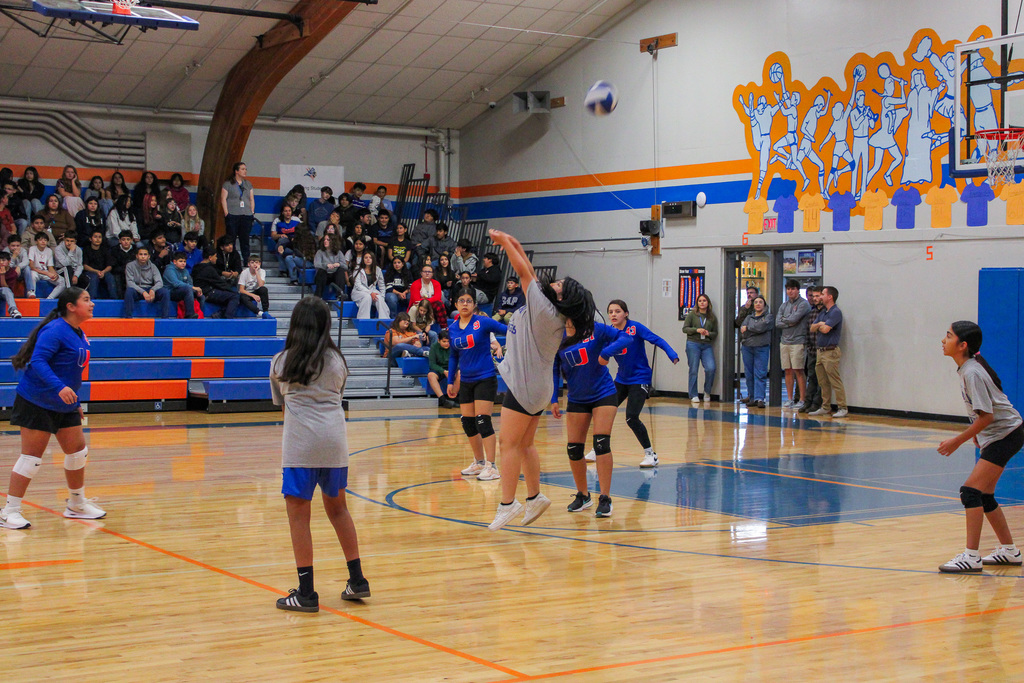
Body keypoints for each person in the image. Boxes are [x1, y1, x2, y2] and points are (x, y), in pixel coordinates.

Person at [488, 228, 597, 531]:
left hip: (526, 385)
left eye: (561, 284)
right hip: (537, 386)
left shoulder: (545, 309)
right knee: (525, 444)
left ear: (563, 297)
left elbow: (523, 271)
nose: (556, 282)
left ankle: (508, 504)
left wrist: (504, 244)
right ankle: (534, 497)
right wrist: (513, 240)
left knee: (507, 444)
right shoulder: (550, 309)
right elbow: (530, 271)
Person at [270, 296, 370, 611]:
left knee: (299, 516)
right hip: (335, 444)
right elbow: (336, 396)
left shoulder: (281, 361)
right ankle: (357, 580)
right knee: (339, 510)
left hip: (301, 446)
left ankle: (306, 593)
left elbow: (282, 406)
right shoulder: (338, 361)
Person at [0, 288, 106, 530]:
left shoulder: (78, 332)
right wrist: (59, 388)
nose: (92, 304)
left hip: (64, 404)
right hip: (37, 400)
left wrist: (74, 402)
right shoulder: (56, 330)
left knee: (77, 452)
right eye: (86, 300)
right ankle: (9, 511)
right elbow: (37, 361)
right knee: (31, 459)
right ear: (71, 306)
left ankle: (76, 504)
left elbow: (70, 371)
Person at [937, 321, 1024, 573]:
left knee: (970, 492)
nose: (943, 340)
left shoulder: (972, 372)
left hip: (1005, 435)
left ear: (962, 345)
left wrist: (957, 440)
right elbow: (985, 410)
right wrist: (978, 434)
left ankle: (971, 556)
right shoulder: (968, 368)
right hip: (1003, 434)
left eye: (948, 336)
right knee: (984, 496)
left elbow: (987, 417)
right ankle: (1010, 551)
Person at [553, 310, 631, 517]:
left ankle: (605, 497)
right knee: (573, 448)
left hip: (603, 393)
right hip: (577, 397)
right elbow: (554, 366)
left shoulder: (595, 329)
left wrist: (606, 353)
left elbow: (626, 337)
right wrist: (554, 398)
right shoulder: (558, 335)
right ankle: (583, 495)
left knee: (601, 443)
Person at [595, 299, 680, 468]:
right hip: (621, 379)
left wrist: (672, 354)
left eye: (617, 311)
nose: (613, 314)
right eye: (610, 312)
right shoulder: (610, 333)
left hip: (640, 378)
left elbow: (657, 340)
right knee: (603, 411)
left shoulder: (635, 328)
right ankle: (596, 448)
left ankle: (650, 454)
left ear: (626, 313)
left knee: (631, 417)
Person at [447, 287, 507, 482]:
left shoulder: (482, 322)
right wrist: (450, 381)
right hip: (466, 380)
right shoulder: (452, 328)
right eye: (461, 300)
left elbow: (508, 330)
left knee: (483, 420)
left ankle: (492, 466)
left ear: (474, 304)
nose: (465, 304)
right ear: (456, 304)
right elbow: (453, 356)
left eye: (469, 301)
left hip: (485, 378)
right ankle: (479, 462)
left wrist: (505, 345)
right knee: (468, 423)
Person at [808, 286, 847, 417]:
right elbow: (812, 328)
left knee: (835, 380)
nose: (820, 297)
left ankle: (842, 407)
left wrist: (821, 325)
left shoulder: (835, 312)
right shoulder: (823, 312)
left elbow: (826, 330)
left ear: (830, 297)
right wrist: (821, 324)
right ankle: (825, 406)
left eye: (823, 294)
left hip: (830, 351)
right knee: (822, 381)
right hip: (820, 351)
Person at [776, 280, 812, 409]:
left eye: (792, 289)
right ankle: (790, 399)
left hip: (798, 341)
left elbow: (795, 318)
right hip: (784, 342)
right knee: (788, 370)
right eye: (788, 289)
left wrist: (787, 320)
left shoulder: (804, 304)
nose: (790, 291)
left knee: (799, 370)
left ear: (797, 290)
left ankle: (802, 399)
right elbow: (777, 323)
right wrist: (790, 322)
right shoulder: (784, 305)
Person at [682, 293, 718, 405]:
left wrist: (708, 333)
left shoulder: (712, 317)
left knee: (711, 368)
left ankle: (707, 391)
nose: (702, 303)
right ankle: (693, 394)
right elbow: (685, 329)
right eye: (700, 301)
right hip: (693, 343)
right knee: (693, 369)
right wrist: (696, 330)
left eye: (704, 301)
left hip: (706, 345)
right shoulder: (692, 315)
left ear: (708, 303)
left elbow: (715, 333)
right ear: (697, 303)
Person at [739, 295, 773, 408]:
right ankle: (752, 397)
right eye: (756, 302)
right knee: (749, 373)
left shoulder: (768, 317)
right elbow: (743, 330)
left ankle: (760, 398)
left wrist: (749, 328)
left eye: (760, 302)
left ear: (764, 305)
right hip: (747, 347)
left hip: (762, 347)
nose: (758, 304)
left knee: (760, 373)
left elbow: (762, 327)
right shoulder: (749, 317)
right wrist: (754, 330)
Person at [193, 246, 241, 318]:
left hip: (200, 292)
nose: (216, 258)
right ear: (210, 257)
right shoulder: (209, 269)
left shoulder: (196, 267)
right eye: (215, 256)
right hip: (208, 293)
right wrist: (235, 292)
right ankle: (227, 318)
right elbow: (220, 283)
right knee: (235, 296)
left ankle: (220, 314)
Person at [220, 162, 256, 260]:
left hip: (246, 214)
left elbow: (251, 198)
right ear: (236, 171)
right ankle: (233, 260)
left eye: (246, 169)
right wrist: (226, 213)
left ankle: (246, 261)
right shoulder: (228, 184)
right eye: (242, 169)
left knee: (245, 240)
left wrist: (252, 211)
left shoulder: (248, 184)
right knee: (231, 239)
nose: (245, 171)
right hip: (233, 214)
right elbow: (223, 198)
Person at [123, 245, 170, 318]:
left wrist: (153, 290)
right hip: (137, 290)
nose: (143, 256)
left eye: (145, 254)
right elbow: (130, 283)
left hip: (149, 289)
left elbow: (159, 282)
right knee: (129, 291)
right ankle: (128, 317)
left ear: (149, 256)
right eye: (140, 254)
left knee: (165, 292)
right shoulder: (130, 266)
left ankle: (165, 318)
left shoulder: (153, 266)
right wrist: (143, 292)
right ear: (137, 256)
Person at [798, 286, 824, 413]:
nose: (814, 298)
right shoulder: (812, 312)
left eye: (817, 296)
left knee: (821, 379)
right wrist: (809, 346)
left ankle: (816, 403)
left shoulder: (826, 312)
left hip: (822, 350)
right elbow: (809, 331)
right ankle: (807, 402)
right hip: (812, 350)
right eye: (813, 296)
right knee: (811, 377)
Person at [163, 252, 202, 319]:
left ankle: (200, 316)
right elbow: (176, 284)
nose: (183, 263)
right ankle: (190, 314)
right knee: (188, 290)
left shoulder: (185, 271)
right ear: (174, 262)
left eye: (184, 261)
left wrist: (195, 290)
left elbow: (190, 283)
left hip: (182, 291)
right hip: (170, 291)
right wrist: (193, 287)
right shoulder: (169, 270)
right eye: (180, 261)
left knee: (201, 296)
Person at [352, 251, 389, 319]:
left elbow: (381, 285)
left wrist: (382, 296)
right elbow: (358, 285)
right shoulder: (357, 269)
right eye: (366, 258)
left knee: (379, 298)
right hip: (359, 292)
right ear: (363, 259)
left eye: (370, 258)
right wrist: (370, 293)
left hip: (372, 291)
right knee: (367, 297)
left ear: (373, 259)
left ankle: (384, 320)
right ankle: (363, 320)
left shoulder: (378, 270)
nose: (368, 259)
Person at [51, 231, 88, 299]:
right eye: (67, 240)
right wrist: (71, 251)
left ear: (75, 241)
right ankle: (69, 295)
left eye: (72, 241)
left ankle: (78, 297)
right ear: (64, 239)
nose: (69, 243)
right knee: (68, 268)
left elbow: (80, 265)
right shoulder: (58, 249)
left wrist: (76, 275)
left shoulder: (79, 250)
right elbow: (65, 263)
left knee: (85, 279)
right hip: (61, 270)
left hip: (73, 271)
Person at [313, 233, 349, 300]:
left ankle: (340, 295)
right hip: (324, 275)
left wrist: (339, 264)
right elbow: (316, 264)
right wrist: (326, 265)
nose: (325, 241)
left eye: (328, 240)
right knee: (321, 271)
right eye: (324, 239)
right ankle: (318, 296)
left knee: (341, 271)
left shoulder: (339, 252)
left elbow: (345, 266)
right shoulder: (320, 252)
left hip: (335, 276)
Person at [427, 330, 455, 408]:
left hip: (452, 368)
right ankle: (443, 399)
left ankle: (454, 397)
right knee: (431, 375)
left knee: (460, 373)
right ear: (439, 340)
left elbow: (458, 362)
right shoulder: (434, 347)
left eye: (448, 341)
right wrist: (443, 371)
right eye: (444, 341)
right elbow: (432, 364)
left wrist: (451, 371)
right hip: (439, 369)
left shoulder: (454, 346)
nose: (446, 343)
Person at [238, 254, 272, 319]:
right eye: (252, 262)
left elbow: (261, 285)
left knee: (264, 289)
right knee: (242, 297)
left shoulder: (262, 271)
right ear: (248, 264)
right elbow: (241, 290)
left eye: (256, 262)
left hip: (256, 291)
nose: (254, 264)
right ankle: (259, 312)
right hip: (247, 293)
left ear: (259, 264)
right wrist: (253, 295)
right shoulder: (244, 272)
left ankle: (266, 311)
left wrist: (257, 272)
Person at [109, 230, 137, 296]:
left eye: (128, 239)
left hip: (133, 273)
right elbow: (113, 266)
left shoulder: (136, 250)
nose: (126, 242)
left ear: (131, 240)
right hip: (119, 273)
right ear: (119, 241)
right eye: (123, 239)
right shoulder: (114, 250)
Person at [0, 251, 23, 318]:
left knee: (6, 290)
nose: (1, 262)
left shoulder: (12, 273)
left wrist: (2, 275)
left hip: (4, 292)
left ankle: (13, 311)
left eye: (3, 260)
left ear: (9, 261)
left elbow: (7, 288)